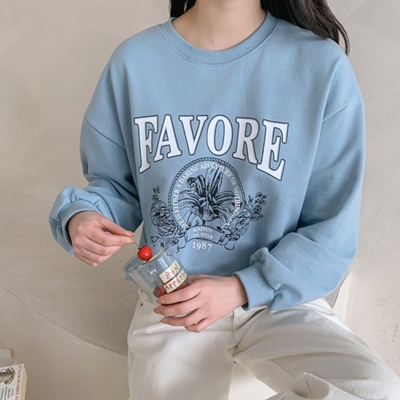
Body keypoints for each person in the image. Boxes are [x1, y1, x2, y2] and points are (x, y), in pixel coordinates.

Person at [49, 0, 400, 398]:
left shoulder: (320, 66)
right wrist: (81, 217)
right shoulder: (134, 62)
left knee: (376, 390)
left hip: (280, 298)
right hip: (174, 299)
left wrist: (241, 288)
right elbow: (116, 186)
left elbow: (331, 230)